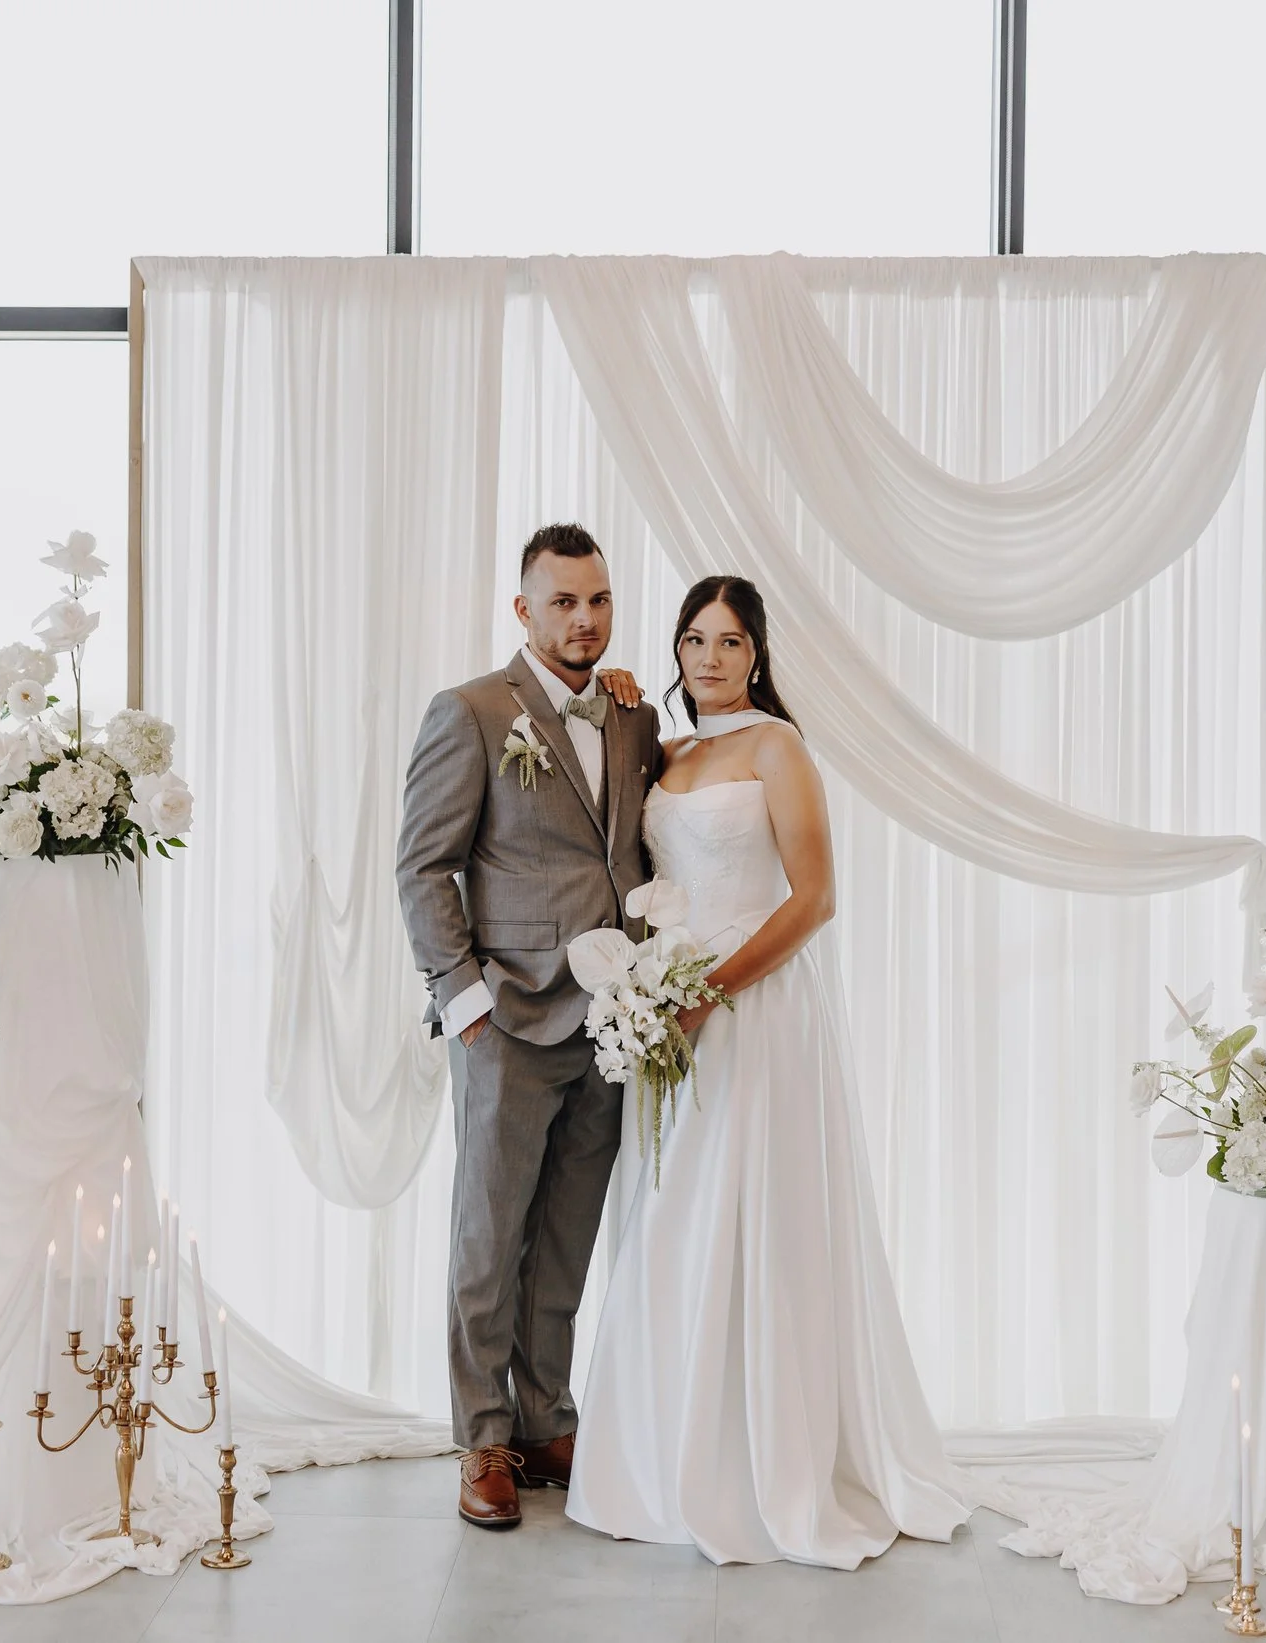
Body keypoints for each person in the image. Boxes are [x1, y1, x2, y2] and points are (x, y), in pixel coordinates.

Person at [566, 573, 971, 1569]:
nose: (709, 656)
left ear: (757, 655)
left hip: (758, 1005)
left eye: (731, 640)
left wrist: (712, 989)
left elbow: (815, 898)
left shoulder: (776, 747)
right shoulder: (666, 749)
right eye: (694, 638)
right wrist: (657, 990)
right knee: (673, 1213)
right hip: (669, 1001)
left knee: (754, 1213)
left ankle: (767, 1459)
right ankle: (664, 1452)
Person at [394, 522, 661, 1529]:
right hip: (505, 1013)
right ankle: (482, 1436)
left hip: (614, 1020)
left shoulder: (631, 717)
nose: (583, 619)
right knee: (486, 1235)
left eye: (597, 599)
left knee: (565, 1233)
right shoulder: (468, 712)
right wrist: (463, 1000)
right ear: (523, 609)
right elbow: (423, 865)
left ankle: (547, 1417)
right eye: (562, 601)